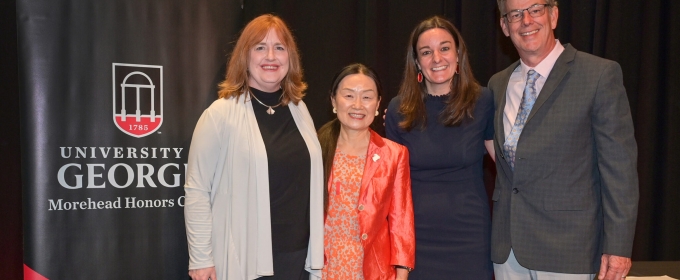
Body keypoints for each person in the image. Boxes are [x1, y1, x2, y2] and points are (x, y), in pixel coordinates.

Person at [489, 1, 639, 280]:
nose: (526, 21)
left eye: (535, 9)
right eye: (515, 14)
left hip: (568, 251)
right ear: (504, 26)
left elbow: (620, 171)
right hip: (507, 251)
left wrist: (618, 247)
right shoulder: (498, 84)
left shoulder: (598, 75)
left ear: (553, 14)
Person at [183, 14, 323, 280]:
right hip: (244, 262)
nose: (271, 56)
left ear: (290, 58)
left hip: (297, 259)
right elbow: (197, 190)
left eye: (279, 48)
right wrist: (201, 259)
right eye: (260, 47)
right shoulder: (220, 115)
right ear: (244, 57)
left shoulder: (299, 110)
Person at [385, 16, 495, 280]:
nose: (437, 58)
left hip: (470, 238)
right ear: (417, 62)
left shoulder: (483, 101)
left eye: (444, 48)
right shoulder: (398, 109)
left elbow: (504, 165)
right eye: (426, 52)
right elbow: (391, 187)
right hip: (417, 240)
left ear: (458, 54)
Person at [318, 63, 415, 280]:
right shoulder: (314, 148)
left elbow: (401, 221)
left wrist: (402, 272)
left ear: (378, 103)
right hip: (321, 269)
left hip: (371, 271)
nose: (358, 105)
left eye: (367, 97)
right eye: (349, 95)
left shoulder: (394, 154)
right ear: (334, 100)